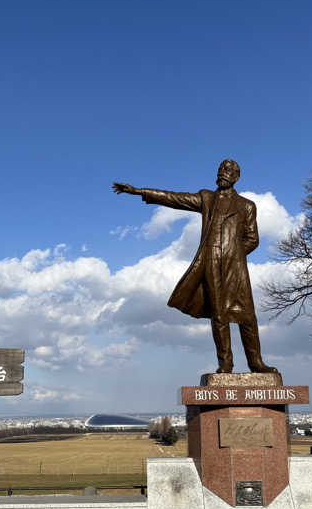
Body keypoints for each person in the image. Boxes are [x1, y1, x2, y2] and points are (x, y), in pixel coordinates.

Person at [113, 159, 278, 374]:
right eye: (220, 169)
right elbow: (175, 198)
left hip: (235, 268)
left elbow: (253, 239)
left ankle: (256, 362)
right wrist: (139, 191)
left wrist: (234, 253)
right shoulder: (207, 198)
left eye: (228, 171)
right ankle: (225, 363)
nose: (222, 173)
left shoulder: (247, 206)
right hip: (209, 264)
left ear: (237, 177)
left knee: (246, 315)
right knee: (219, 315)